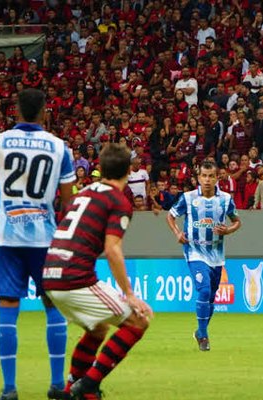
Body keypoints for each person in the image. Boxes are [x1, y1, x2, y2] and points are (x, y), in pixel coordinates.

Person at [0, 88, 75, 400]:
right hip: (45, 238)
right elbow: (69, 203)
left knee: (7, 306)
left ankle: (9, 389)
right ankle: (57, 385)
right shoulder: (60, 148)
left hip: (6, 236)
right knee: (52, 305)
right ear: (45, 112)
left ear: (16, 111)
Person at [42, 144, 152, 399]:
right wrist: (129, 294)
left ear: (100, 168)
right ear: (128, 171)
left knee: (98, 328)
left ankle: (71, 391)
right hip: (74, 278)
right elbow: (112, 249)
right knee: (139, 321)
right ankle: (87, 384)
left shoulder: (83, 193)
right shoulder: (118, 200)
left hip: (50, 274)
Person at [166, 160, 241, 351]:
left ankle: (200, 331)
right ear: (198, 178)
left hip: (216, 253)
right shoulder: (188, 198)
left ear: (217, 178)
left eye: (211, 176)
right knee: (205, 290)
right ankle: (204, 336)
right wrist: (177, 233)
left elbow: (237, 221)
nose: (207, 180)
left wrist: (229, 230)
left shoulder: (225, 199)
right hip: (194, 251)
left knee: (211, 298)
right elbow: (170, 215)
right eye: (204, 176)